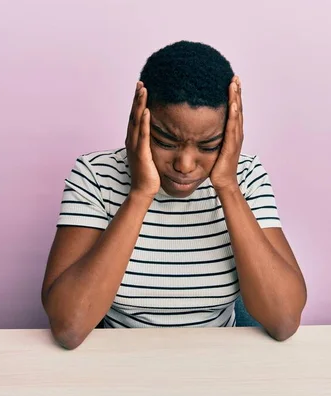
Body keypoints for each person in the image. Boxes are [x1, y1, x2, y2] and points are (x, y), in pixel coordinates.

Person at [41, 40, 307, 350]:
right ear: (139, 120)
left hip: (220, 363)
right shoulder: (95, 176)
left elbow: (284, 320)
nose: (184, 165)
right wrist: (140, 193)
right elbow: (68, 328)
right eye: (165, 142)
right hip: (116, 362)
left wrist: (228, 187)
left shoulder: (245, 176)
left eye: (208, 146)